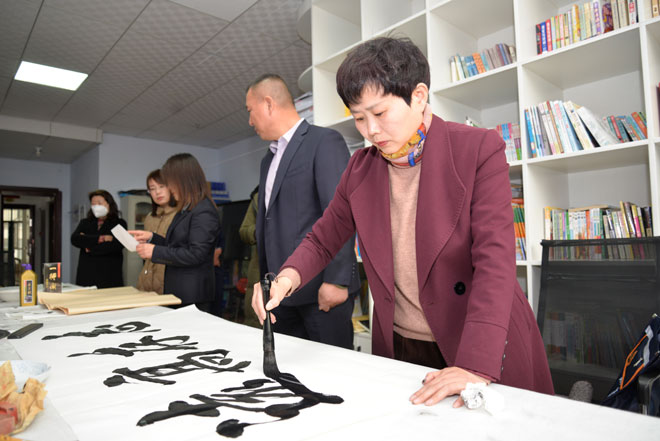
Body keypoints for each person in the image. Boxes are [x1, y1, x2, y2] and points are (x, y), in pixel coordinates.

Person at [251, 37, 554, 406]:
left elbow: (495, 261)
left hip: (477, 342)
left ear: (419, 96)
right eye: (359, 118)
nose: (370, 131)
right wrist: (286, 278)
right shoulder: (359, 169)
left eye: (379, 113)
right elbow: (323, 238)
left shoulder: (477, 149)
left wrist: (475, 364)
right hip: (402, 348)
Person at [246, 73, 359, 349]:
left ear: (268, 104)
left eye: (250, 110)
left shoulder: (323, 141)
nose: (249, 121)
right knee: (288, 367)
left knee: (331, 370)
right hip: (281, 292)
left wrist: (337, 281)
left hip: (320, 291)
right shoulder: (268, 159)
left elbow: (340, 214)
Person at [130, 153, 220, 312]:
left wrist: (155, 251)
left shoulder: (203, 211)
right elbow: (176, 245)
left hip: (193, 295)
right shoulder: (185, 209)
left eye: (170, 183)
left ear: (184, 180)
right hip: (178, 291)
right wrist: (152, 238)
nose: (170, 189)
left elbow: (196, 254)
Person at [71, 189, 126, 288]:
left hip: (109, 276)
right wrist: (101, 238)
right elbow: (75, 239)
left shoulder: (119, 223)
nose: (96, 206)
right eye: (93, 204)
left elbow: (116, 245)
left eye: (99, 203)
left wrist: (88, 246)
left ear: (109, 204)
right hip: (86, 275)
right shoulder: (85, 222)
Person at [136, 169, 177, 294]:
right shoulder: (150, 217)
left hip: (168, 281)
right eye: (152, 189)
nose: (157, 192)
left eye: (161, 186)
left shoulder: (180, 216)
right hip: (146, 278)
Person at [239, 186, 261, 328]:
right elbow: (244, 231)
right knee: (255, 323)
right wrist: (260, 230)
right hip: (258, 272)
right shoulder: (259, 197)